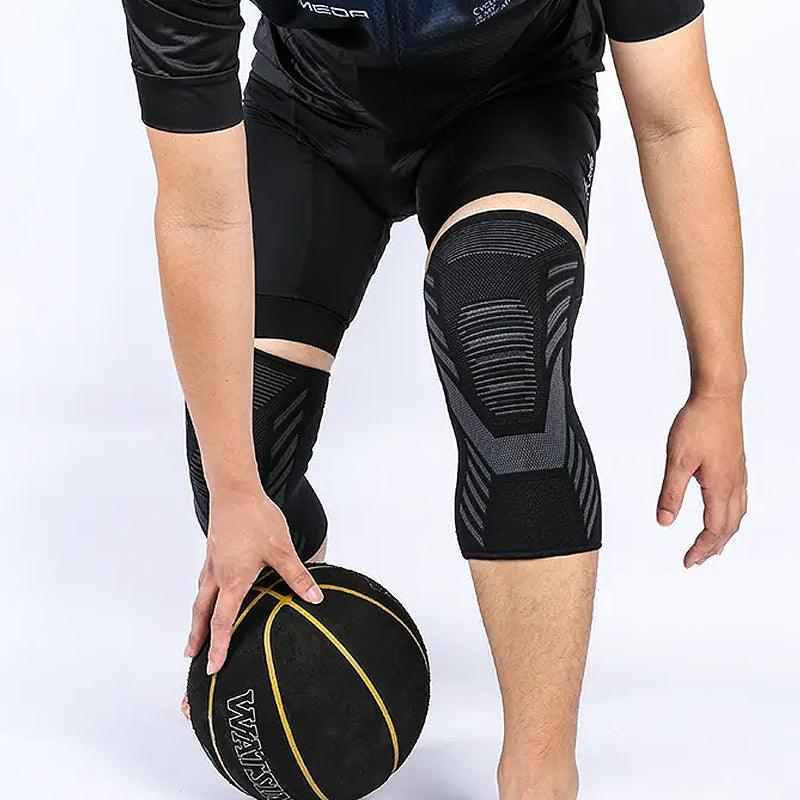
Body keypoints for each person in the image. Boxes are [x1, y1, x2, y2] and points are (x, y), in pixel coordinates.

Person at [121, 1, 747, 797]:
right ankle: (304, 623)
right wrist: (237, 491)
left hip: (513, 92)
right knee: (236, 449)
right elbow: (200, 215)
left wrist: (719, 385)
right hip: (315, 106)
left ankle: (540, 772)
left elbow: (675, 119)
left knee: (502, 337)